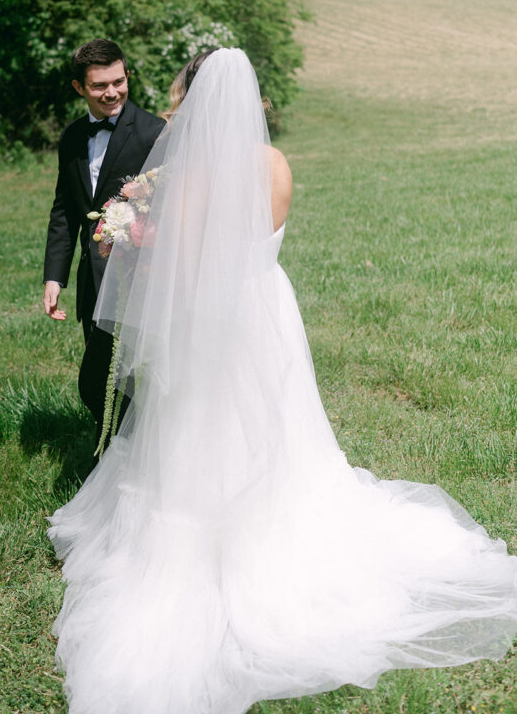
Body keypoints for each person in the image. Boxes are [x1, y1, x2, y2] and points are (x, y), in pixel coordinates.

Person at [47, 48, 517, 714]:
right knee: (281, 426)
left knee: (203, 430)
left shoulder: (193, 177)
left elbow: (179, 266)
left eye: (184, 92)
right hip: (267, 307)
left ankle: (212, 538)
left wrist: (128, 238)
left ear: (201, 101)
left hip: (214, 318)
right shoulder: (275, 165)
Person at [42, 38, 164, 445]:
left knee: (101, 378)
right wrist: (54, 277)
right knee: (107, 383)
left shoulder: (153, 133)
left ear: (127, 76)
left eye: (118, 81)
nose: (112, 92)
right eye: (99, 86)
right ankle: (117, 456)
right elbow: (64, 210)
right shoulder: (73, 137)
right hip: (93, 279)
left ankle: (135, 449)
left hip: (141, 277)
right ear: (80, 88)